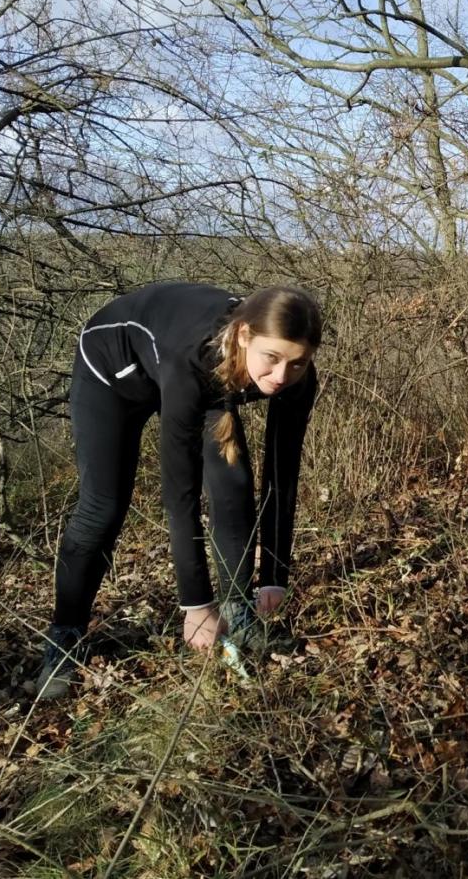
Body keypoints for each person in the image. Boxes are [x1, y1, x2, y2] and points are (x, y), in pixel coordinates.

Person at [35, 282, 321, 699]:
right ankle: (65, 634)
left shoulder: (296, 377)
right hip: (114, 371)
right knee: (103, 508)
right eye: (272, 359)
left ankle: (239, 612)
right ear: (244, 336)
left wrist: (275, 576)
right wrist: (196, 604)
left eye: (296, 364)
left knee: (232, 484)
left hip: (203, 379)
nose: (281, 377)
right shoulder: (193, 356)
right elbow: (179, 489)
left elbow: (282, 474)